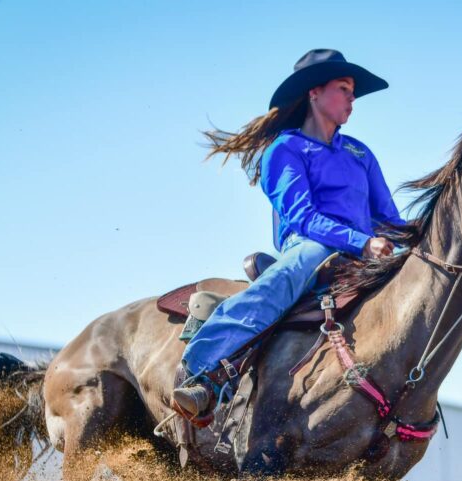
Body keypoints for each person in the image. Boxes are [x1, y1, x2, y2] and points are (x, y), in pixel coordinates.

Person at [173, 49, 403, 417]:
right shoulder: (285, 149)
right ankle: (200, 367)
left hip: (363, 252)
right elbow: (303, 217)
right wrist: (362, 242)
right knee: (293, 270)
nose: (352, 98)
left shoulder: (360, 153)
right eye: (344, 88)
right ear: (314, 92)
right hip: (311, 246)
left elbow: (390, 219)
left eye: (353, 91)